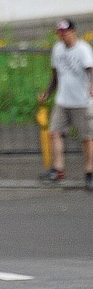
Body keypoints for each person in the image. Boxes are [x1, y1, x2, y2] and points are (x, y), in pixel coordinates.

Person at [38, 19, 93, 189]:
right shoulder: (58, 49)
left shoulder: (83, 50)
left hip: (82, 101)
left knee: (87, 138)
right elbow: (55, 75)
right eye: (60, 34)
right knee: (54, 132)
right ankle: (58, 168)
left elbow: (91, 71)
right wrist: (47, 93)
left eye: (65, 33)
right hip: (63, 100)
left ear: (73, 32)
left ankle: (89, 172)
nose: (63, 37)